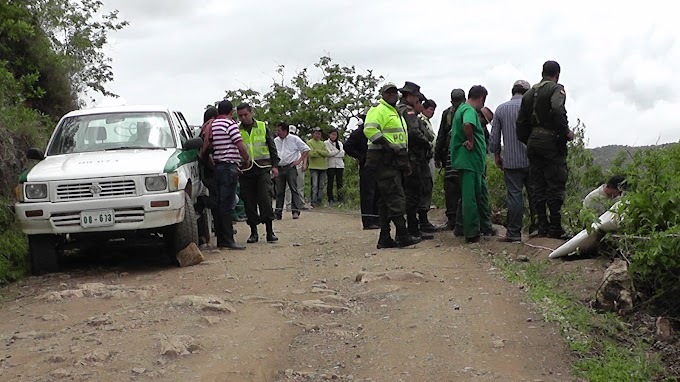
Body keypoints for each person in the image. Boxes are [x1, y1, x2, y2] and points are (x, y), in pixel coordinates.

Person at [516, 60, 574, 239]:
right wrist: (565, 132)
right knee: (555, 183)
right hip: (551, 142)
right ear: (557, 74)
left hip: (533, 142)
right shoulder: (556, 89)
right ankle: (555, 226)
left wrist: (531, 139)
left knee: (538, 185)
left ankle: (542, 225)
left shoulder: (528, 94)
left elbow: (520, 124)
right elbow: (557, 109)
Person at [364, 82, 421, 248]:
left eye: (394, 92)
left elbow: (401, 138)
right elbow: (370, 130)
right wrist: (388, 145)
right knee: (395, 197)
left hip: (395, 161)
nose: (392, 95)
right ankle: (402, 235)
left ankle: (385, 237)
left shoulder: (395, 112)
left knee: (385, 199)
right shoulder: (378, 110)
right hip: (383, 160)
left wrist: (404, 162)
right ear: (382, 95)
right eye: (388, 93)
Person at [489, 80, 535, 242]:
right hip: (532, 159)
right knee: (534, 195)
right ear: (527, 92)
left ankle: (514, 233)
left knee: (514, 196)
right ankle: (536, 230)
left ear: (512, 91)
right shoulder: (532, 107)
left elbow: (494, 139)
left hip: (511, 160)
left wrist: (496, 156)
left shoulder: (501, 109)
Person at [451, 85, 494, 243]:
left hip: (471, 162)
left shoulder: (461, 109)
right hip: (469, 161)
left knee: (476, 194)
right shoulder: (469, 111)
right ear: (481, 98)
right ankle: (472, 232)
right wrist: (470, 140)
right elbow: (468, 124)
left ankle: (478, 228)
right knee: (470, 197)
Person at [236, 103, 280, 243]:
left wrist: (275, 165)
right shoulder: (236, 129)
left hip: (263, 168)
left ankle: (269, 231)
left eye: (245, 114)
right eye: (240, 115)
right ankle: (253, 232)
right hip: (245, 170)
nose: (243, 118)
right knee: (249, 202)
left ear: (251, 113)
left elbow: (271, 146)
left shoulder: (262, 126)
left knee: (265, 199)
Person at [209, 100, 250, 249]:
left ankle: (221, 238)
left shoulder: (213, 125)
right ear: (231, 111)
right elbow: (239, 144)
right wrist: (246, 158)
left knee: (220, 202)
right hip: (228, 166)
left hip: (218, 166)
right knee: (228, 204)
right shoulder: (230, 124)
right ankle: (228, 239)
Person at [397, 81, 435, 240]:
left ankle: (413, 228)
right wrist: (426, 143)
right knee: (412, 194)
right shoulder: (407, 111)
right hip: (413, 157)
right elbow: (414, 133)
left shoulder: (401, 110)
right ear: (410, 96)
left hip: (410, 157)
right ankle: (412, 229)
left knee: (413, 193)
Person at [435, 89, 466, 231]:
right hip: (461, 155)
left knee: (452, 187)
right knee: (459, 187)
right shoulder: (468, 111)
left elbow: (441, 135)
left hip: (453, 155)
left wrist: (437, 156)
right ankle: (458, 220)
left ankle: (455, 220)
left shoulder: (448, 113)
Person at [344, 113, 380, 230]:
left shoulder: (376, 130)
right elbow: (347, 146)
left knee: (377, 193)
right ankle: (368, 221)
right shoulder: (359, 132)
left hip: (378, 164)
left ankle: (377, 219)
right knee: (367, 194)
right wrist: (360, 156)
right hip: (366, 166)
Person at [273, 122, 310, 219]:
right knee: (279, 191)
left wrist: (299, 161)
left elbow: (306, 149)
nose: (277, 132)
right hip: (279, 167)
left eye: (279, 130)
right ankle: (278, 212)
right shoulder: (275, 141)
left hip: (290, 166)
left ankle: (295, 211)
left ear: (285, 131)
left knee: (294, 189)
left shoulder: (294, 139)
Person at [284, 125, 307, 211]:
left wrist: (304, 164)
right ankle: (289, 204)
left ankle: (301, 203)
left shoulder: (298, 141)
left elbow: (305, 152)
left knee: (300, 186)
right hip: (290, 166)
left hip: (299, 165)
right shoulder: (284, 142)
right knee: (288, 187)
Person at [306, 127, 329, 207]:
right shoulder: (309, 142)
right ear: (313, 134)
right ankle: (313, 201)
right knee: (314, 185)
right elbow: (311, 154)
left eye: (319, 134)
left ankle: (319, 201)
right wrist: (321, 153)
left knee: (321, 185)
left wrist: (317, 151)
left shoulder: (323, 143)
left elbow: (327, 153)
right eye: (316, 133)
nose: (318, 135)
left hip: (323, 167)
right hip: (313, 167)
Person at [325, 128, 345, 204]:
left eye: (335, 135)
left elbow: (342, 153)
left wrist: (334, 153)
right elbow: (328, 153)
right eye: (332, 134)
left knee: (339, 182)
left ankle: (340, 198)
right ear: (329, 135)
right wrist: (337, 151)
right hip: (330, 165)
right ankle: (330, 199)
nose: (334, 136)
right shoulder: (326, 143)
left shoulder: (340, 143)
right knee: (330, 182)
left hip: (340, 165)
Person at [420, 99, 438, 180]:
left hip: (431, 154)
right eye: (430, 109)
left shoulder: (427, 121)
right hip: (425, 155)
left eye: (434, 110)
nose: (433, 112)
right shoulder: (421, 120)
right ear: (424, 109)